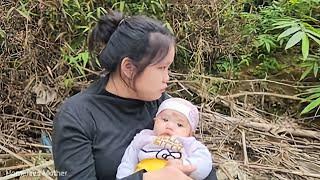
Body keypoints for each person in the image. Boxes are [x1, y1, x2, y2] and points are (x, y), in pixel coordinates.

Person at [52, 11, 217, 180]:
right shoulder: (77, 117)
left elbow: (201, 163)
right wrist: (148, 178)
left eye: (169, 68)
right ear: (129, 68)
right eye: (161, 68)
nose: (167, 78)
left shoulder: (163, 107)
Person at [116, 98, 213, 180]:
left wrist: (184, 165)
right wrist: (124, 177)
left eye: (179, 125)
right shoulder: (145, 137)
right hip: (145, 173)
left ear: (190, 133)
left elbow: (204, 161)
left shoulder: (189, 143)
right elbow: (128, 160)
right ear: (155, 121)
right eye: (165, 119)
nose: (169, 126)